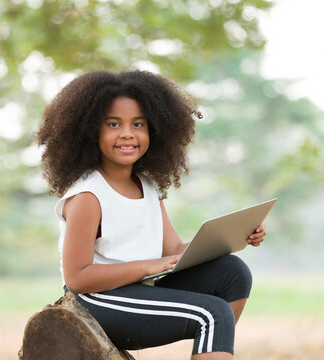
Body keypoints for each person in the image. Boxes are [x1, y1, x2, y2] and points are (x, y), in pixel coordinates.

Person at [36, 70, 266, 359]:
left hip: (140, 289)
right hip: (98, 301)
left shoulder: (147, 187)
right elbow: (78, 278)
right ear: (92, 132)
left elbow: (173, 251)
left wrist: (233, 236)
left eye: (138, 124)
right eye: (113, 124)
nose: (127, 133)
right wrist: (148, 266)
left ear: (153, 131)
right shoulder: (88, 195)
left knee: (233, 272)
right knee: (212, 313)